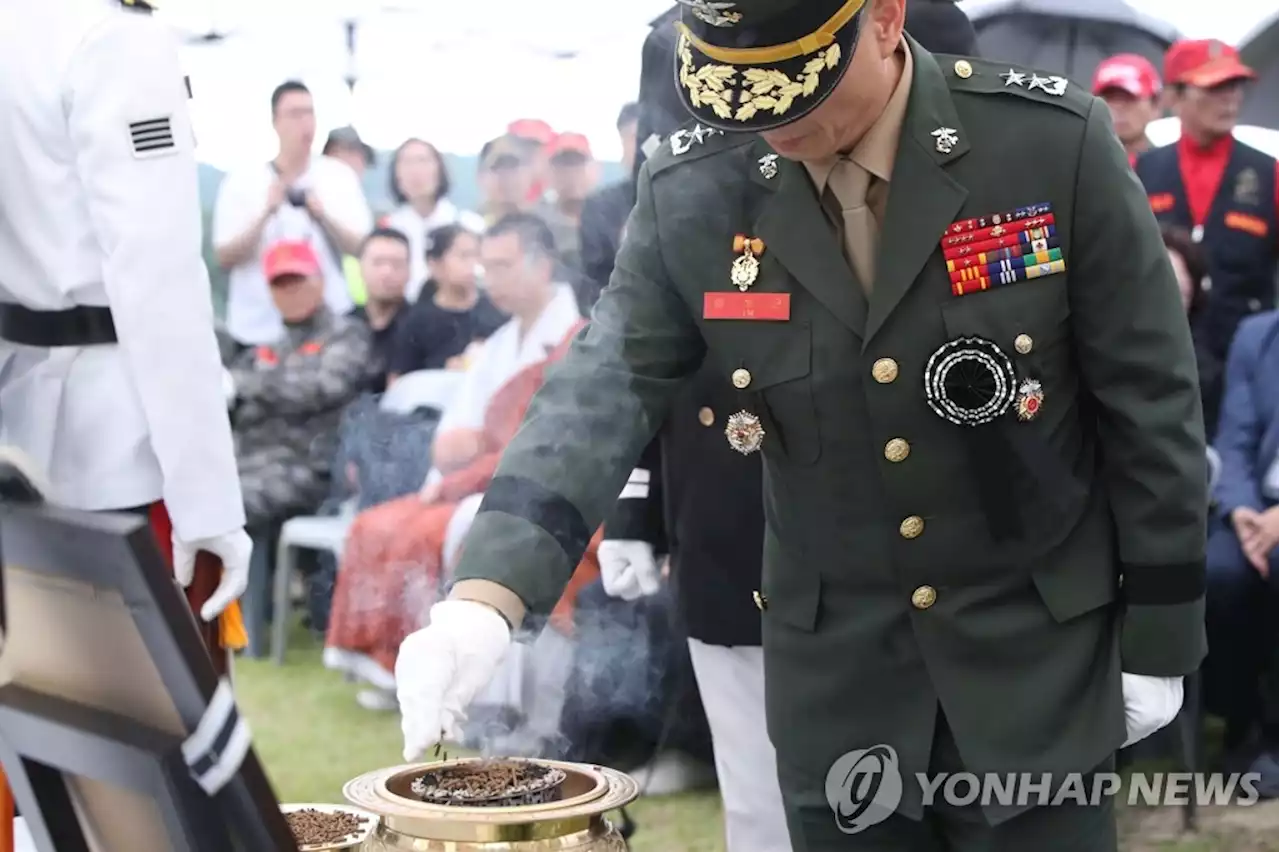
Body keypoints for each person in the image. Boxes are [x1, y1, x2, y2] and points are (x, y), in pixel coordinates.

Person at [395, 1, 1208, 850]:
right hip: (841, 684)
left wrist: (1161, 628)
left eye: (792, 85)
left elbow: (1150, 404)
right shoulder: (698, 187)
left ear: (888, 19)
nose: (768, 120)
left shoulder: (1049, 144)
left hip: (1032, 657)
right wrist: (484, 598)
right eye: (735, 90)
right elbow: (600, 387)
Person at [0, 0, 251, 677]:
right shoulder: (117, 39)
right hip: (125, 453)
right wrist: (210, 503)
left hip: (18, 438)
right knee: (152, 746)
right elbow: (159, 281)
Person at [1136, 39, 1277, 410]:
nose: (1229, 98)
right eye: (1214, 88)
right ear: (1175, 96)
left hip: (1245, 377)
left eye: (1235, 86)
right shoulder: (1140, 172)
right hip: (1159, 370)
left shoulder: (1269, 174)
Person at [213, 80, 373, 348]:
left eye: (310, 112)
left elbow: (362, 248)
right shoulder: (242, 182)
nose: (305, 122)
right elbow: (224, 256)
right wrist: (265, 213)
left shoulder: (338, 176)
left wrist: (323, 216)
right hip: (258, 329)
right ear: (275, 121)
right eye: (295, 113)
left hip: (328, 327)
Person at [1206, 309, 1280, 796]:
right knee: (1218, 574)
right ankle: (1240, 726)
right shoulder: (1258, 335)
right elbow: (1234, 439)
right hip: (1255, 507)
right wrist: (1239, 510)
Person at [389, 224, 506, 378]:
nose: (472, 264)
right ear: (434, 265)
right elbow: (398, 383)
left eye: (476, 255)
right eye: (464, 256)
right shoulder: (417, 322)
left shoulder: (499, 307)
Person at [381, 138, 485, 301]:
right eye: (406, 163)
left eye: (423, 161)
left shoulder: (469, 225)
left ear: (440, 169)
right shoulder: (387, 229)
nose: (415, 171)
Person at [350, 228, 413, 393]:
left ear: (409, 271)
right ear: (360, 268)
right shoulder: (344, 327)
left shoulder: (424, 326)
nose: (386, 273)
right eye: (378, 263)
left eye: (396, 264)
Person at [1091, 54, 1162, 166]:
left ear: (1155, 106)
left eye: (1129, 98)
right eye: (1109, 98)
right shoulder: (1075, 167)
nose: (1118, 107)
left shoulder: (1172, 169)